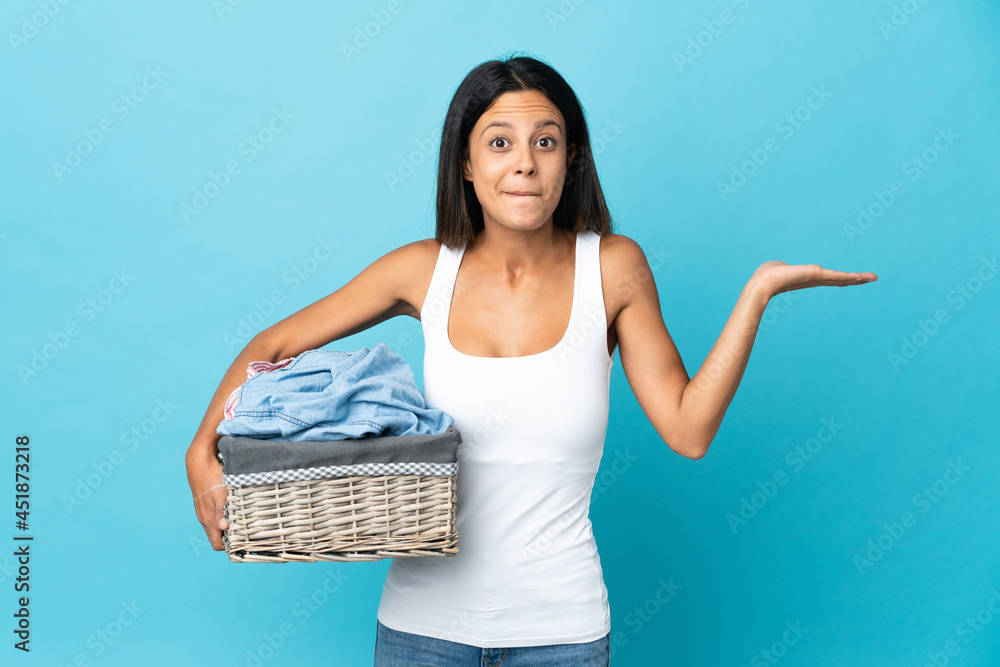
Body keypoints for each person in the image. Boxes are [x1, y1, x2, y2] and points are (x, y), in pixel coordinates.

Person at [185, 54, 877, 666]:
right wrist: (200, 451)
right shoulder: (423, 270)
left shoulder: (613, 268)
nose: (524, 163)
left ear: (571, 159)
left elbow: (688, 430)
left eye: (546, 141)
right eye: (500, 142)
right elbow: (272, 348)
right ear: (466, 162)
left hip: (562, 635)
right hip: (421, 636)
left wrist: (757, 293)